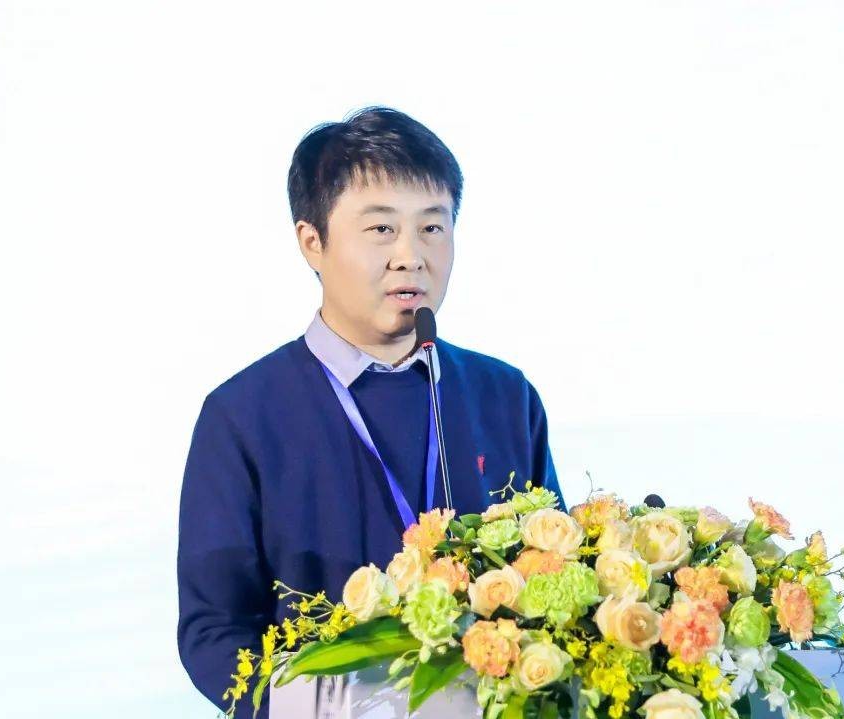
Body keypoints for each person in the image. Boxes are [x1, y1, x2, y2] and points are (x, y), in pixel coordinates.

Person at [176, 106, 562, 715]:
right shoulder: (242, 416)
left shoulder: (504, 396)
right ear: (312, 242)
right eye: (381, 229)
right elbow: (213, 631)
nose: (411, 256)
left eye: (432, 227)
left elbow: (552, 579)